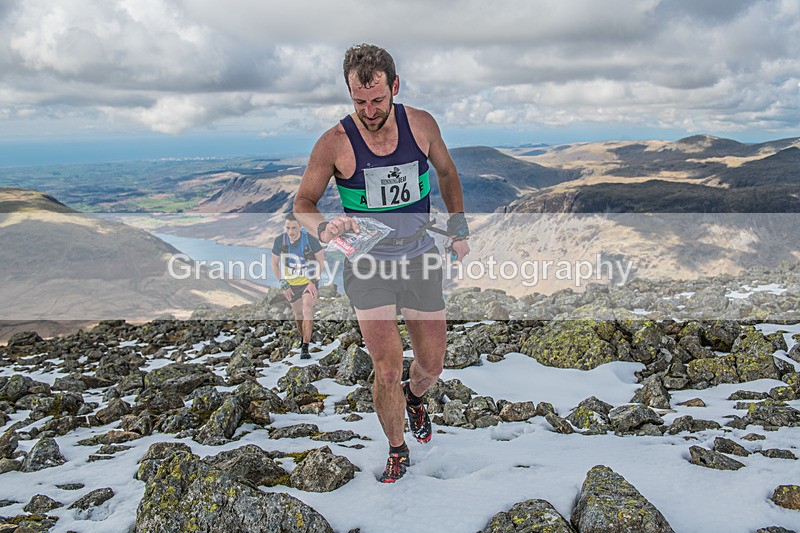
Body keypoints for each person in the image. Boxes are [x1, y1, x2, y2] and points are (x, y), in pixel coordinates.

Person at [294, 43, 470, 482]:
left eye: (377, 100)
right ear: (349, 94)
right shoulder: (334, 143)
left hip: (419, 256)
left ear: (394, 86)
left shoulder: (421, 125)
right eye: (359, 102)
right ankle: (397, 448)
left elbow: (446, 173)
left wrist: (458, 223)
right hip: (367, 264)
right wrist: (323, 228)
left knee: (431, 366)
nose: (369, 111)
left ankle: (415, 397)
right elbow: (304, 201)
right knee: (387, 368)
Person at [271, 213, 324, 359]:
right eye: (287, 228)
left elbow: (321, 262)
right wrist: (283, 283)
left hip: (309, 282)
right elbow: (274, 264)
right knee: (298, 314)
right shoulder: (280, 241)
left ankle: (305, 348)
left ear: (301, 226)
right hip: (291, 283)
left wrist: (313, 282)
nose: (290, 232)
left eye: (294, 228)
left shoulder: (310, 240)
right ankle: (302, 337)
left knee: (307, 308)